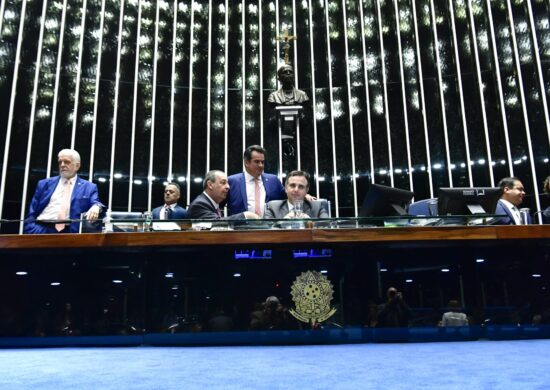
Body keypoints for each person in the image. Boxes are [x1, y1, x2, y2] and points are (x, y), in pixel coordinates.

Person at [24, 149, 104, 234]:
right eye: (60, 162)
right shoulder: (44, 184)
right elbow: (32, 211)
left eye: (66, 162)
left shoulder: (89, 187)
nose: (62, 165)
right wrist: (31, 229)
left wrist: (96, 207)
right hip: (41, 229)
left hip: (70, 232)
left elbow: (96, 203)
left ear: (77, 166)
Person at [227, 145, 286, 217]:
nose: (261, 165)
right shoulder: (232, 181)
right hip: (240, 227)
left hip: (270, 226)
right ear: (246, 162)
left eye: (262, 162)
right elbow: (217, 204)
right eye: (257, 162)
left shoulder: (273, 180)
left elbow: (288, 199)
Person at [187, 170, 259, 220]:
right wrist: (245, 215)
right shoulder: (200, 204)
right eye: (223, 182)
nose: (228, 187)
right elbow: (217, 223)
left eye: (227, 183)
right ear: (210, 185)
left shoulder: (212, 204)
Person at [264, 170, 328, 219]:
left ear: (307, 190)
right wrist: (282, 223)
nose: (296, 190)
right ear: (286, 188)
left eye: (301, 186)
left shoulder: (318, 207)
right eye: (292, 185)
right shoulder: (273, 207)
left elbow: (327, 229)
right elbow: (266, 232)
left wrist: (310, 223)